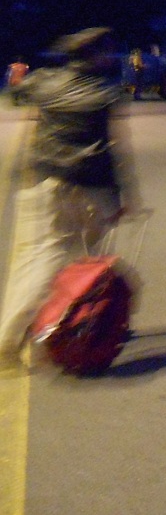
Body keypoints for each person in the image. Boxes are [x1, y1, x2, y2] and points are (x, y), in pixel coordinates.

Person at [0, 28, 138, 365]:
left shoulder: (44, 81)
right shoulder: (104, 92)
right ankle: (16, 334)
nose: (113, 56)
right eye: (108, 51)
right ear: (93, 56)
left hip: (41, 180)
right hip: (85, 186)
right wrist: (121, 196)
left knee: (40, 256)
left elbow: (16, 95)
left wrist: (17, 78)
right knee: (75, 257)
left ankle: (68, 317)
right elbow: (109, 150)